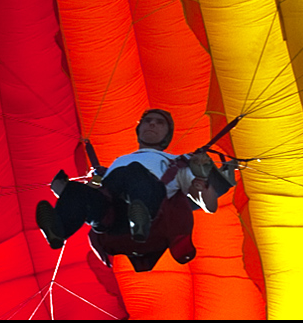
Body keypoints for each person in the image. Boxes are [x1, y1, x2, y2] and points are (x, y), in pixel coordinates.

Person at [36, 109, 235, 271]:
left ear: (167, 135)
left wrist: (201, 183)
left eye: (159, 122)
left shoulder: (177, 162)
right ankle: (58, 230)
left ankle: (141, 217)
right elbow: (94, 191)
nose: (152, 124)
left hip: (154, 220)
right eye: (148, 121)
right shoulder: (116, 163)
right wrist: (65, 190)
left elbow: (209, 205)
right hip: (114, 220)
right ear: (138, 130)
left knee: (134, 172)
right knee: (79, 191)